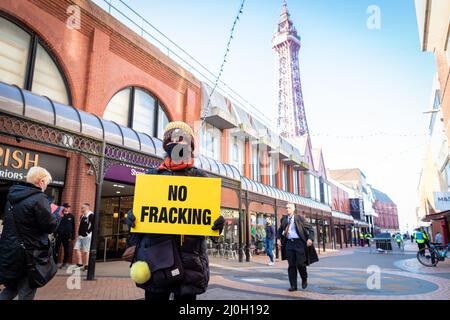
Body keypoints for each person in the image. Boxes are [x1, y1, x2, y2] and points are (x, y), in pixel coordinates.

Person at [125, 121, 225, 301]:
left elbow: (211, 228)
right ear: (166, 147)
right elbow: (141, 216)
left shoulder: (201, 179)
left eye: (183, 145)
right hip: (157, 258)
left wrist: (217, 224)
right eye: (173, 144)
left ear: (191, 148)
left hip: (190, 262)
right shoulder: (152, 177)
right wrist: (133, 218)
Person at [0, 166, 60, 300]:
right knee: (26, 292)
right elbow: (50, 226)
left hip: (10, 253)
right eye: (46, 182)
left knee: (11, 289)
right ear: (41, 182)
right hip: (29, 255)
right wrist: (57, 215)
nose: (46, 185)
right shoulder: (39, 198)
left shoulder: (12, 198)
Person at [277, 202, 318, 291]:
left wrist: (310, 239)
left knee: (300, 263)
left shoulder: (300, 219)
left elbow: (311, 229)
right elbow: (280, 230)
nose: (287, 209)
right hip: (289, 243)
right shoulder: (284, 219)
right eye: (286, 207)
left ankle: (304, 278)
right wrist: (278, 239)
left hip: (299, 243)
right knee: (291, 265)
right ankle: (293, 286)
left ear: (293, 209)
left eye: (289, 208)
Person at [73, 203, 94, 271]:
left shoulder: (91, 215)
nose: (81, 209)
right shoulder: (82, 216)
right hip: (80, 236)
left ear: (86, 208)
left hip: (87, 236)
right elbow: (80, 225)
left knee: (86, 251)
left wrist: (88, 232)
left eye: (82, 208)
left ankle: (87, 265)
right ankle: (80, 263)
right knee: (77, 248)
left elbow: (93, 225)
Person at [54, 203, 75, 268]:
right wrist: (55, 233)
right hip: (59, 235)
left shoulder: (71, 216)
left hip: (67, 236)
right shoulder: (59, 215)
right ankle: (55, 262)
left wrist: (72, 236)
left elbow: (73, 226)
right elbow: (56, 225)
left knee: (66, 249)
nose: (68, 208)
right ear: (63, 208)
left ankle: (65, 262)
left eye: (68, 207)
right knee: (56, 249)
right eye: (67, 207)